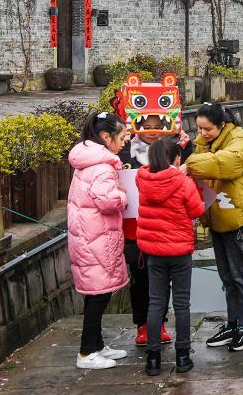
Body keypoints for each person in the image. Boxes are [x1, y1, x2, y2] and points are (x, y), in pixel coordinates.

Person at [184, 102, 243, 352]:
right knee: (227, 277)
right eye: (199, 129)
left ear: (222, 124)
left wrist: (190, 164)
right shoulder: (204, 142)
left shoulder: (238, 139)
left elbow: (226, 163)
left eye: (208, 129)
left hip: (236, 218)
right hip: (216, 217)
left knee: (241, 275)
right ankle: (232, 323)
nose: (202, 133)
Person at [118, 115, 194, 348]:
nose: (152, 131)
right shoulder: (126, 152)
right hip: (136, 228)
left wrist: (186, 146)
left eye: (158, 126)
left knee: (163, 283)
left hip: (166, 230)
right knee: (139, 280)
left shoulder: (173, 148)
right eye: (146, 127)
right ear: (137, 127)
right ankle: (142, 325)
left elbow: (189, 167)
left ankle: (160, 324)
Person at [135, 138, 205, 376]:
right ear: (176, 159)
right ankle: (183, 357)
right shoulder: (183, 182)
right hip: (179, 252)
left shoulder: (142, 180)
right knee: (182, 304)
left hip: (154, 252)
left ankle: (153, 359)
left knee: (156, 303)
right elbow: (196, 210)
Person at [67, 111, 130, 370]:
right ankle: (85, 353)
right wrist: (123, 195)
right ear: (106, 137)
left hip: (88, 237)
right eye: (122, 138)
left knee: (96, 294)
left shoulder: (87, 161)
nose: (125, 142)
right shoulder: (103, 167)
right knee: (98, 297)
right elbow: (107, 201)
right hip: (97, 240)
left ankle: (97, 345)